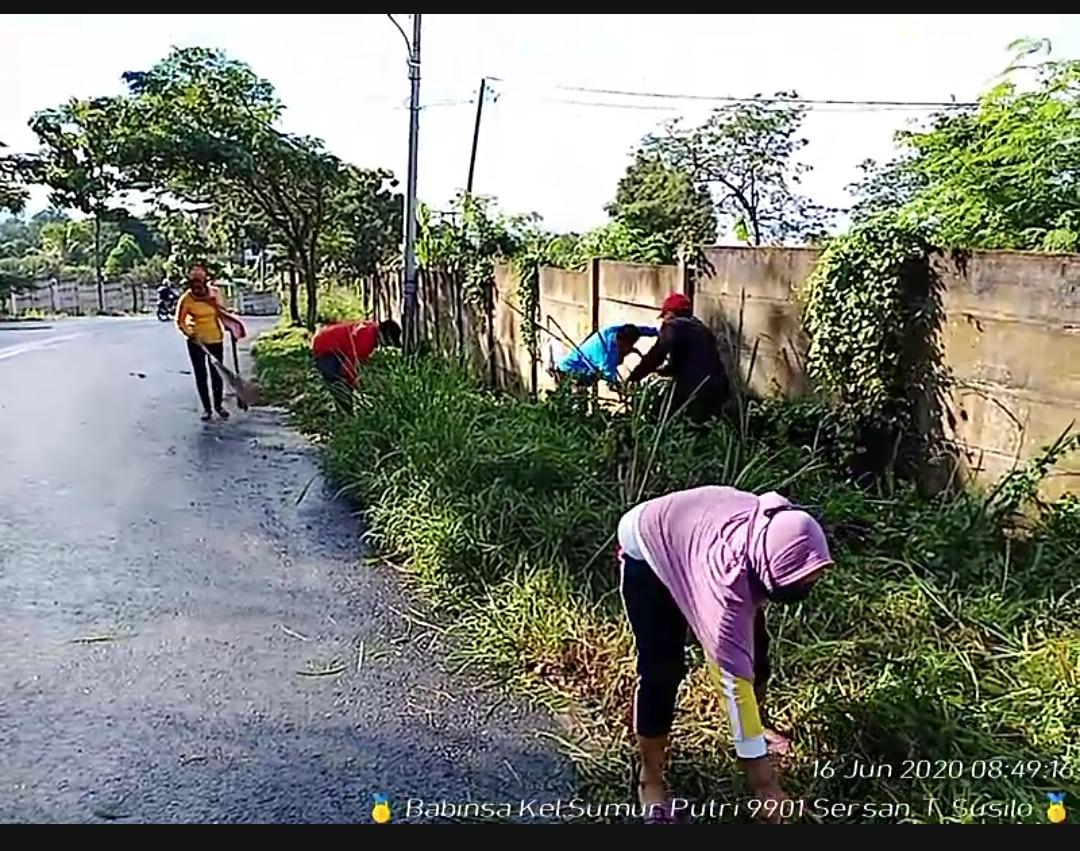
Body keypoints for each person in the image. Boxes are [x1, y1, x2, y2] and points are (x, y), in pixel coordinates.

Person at [616, 485, 832, 824]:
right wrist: (765, 787)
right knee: (662, 670)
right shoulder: (727, 587)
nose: (809, 588)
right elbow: (734, 685)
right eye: (802, 583)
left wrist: (750, 732)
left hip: (702, 538)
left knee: (757, 654)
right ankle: (650, 781)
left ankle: (755, 730)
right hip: (649, 547)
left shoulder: (777, 528)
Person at [626, 293, 729, 425]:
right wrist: (667, 370)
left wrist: (634, 377)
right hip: (718, 386)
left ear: (670, 313)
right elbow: (694, 359)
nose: (664, 319)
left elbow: (655, 356)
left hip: (695, 388)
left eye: (665, 316)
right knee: (702, 430)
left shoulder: (672, 327)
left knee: (660, 417)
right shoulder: (702, 329)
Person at [175, 264, 231, 422]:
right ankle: (207, 409)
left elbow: (223, 311)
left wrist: (232, 326)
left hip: (215, 338)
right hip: (196, 342)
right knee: (201, 375)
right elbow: (180, 321)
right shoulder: (186, 299)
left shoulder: (214, 293)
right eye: (194, 286)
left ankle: (218, 406)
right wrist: (191, 334)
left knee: (217, 374)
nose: (197, 290)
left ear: (205, 282)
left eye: (200, 285)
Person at [310, 318, 402, 408]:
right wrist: (353, 383)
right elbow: (349, 364)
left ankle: (342, 408)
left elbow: (357, 357)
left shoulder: (371, 329)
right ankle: (344, 412)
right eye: (389, 343)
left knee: (340, 384)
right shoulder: (367, 341)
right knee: (338, 381)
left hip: (325, 338)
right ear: (383, 336)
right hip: (325, 347)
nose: (387, 346)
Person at [554, 323, 659, 386]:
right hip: (569, 372)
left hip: (582, 369)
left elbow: (639, 330)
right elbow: (609, 376)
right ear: (621, 341)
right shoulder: (605, 353)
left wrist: (656, 332)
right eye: (628, 345)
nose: (629, 348)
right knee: (578, 402)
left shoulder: (614, 330)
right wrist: (621, 387)